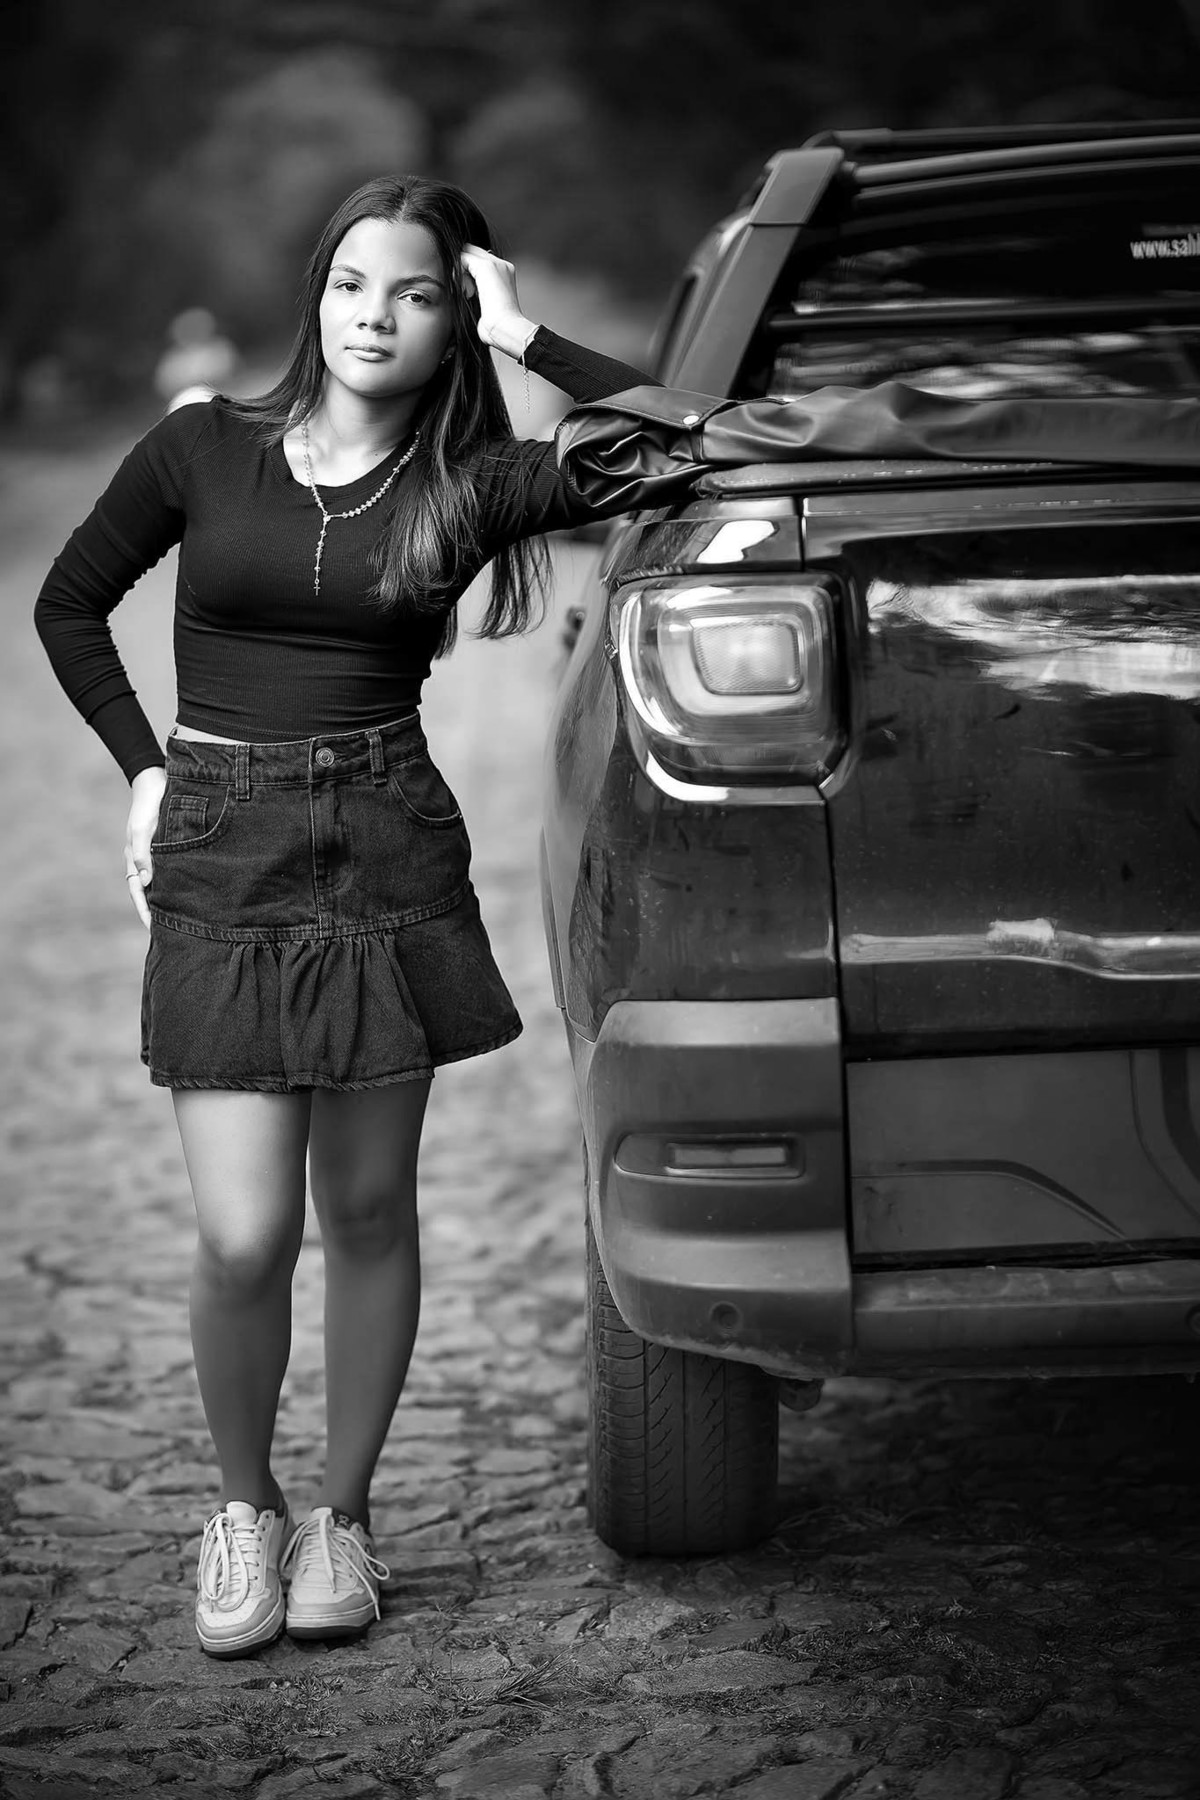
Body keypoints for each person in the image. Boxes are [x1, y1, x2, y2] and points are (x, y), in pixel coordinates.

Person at [34, 174, 681, 1659]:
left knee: (370, 1210)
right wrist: (144, 770)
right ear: (314, 297)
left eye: (415, 293)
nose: (373, 316)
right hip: (223, 840)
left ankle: (341, 1516)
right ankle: (243, 1509)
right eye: (350, 283)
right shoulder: (203, 444)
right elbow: (68, 603)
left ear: (451, 321)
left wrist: (528, 334)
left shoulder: (478, 487)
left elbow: (687, 443)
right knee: (245, 1233)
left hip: (384, 837)